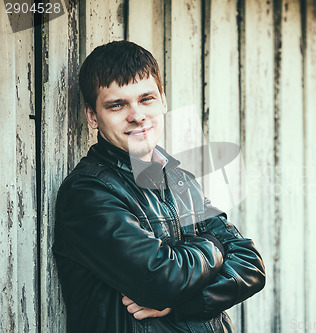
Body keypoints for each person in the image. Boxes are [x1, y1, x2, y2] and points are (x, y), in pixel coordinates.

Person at [52, 40, 265, 333]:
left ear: (163, 100)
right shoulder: (89, 193)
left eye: (146, 99)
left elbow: (251, 266)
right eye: (117, 104)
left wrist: (182, 304)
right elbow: (164, 280)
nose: (137, 115)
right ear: (92, 116)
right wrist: (215, 246)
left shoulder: (180, 179)